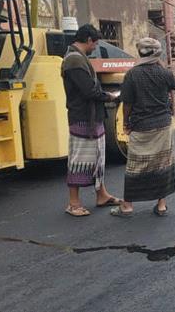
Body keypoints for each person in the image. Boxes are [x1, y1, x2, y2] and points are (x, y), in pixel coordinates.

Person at [112, 38, 175, 217]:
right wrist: (160, 63)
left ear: (140, 52)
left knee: (135, 165)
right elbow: (174, 84)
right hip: (163, 125)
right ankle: (161, 204)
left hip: (141, 126)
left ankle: (127, 206)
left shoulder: (132, 74)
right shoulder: (164, 73)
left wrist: (126, 123)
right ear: (157, 53)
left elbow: (127, 103)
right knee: (162, 163)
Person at [61, 24, 121, 217]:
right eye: (94, 43)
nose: (95, 47)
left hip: (92, 116)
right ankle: (73, 203)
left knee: (97, 157)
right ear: (88, 40)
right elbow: (88, 91)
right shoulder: (73, 61)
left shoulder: (79, 58)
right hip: (82, 117)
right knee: (79, 160)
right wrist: (109, 96)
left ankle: (101, 194)